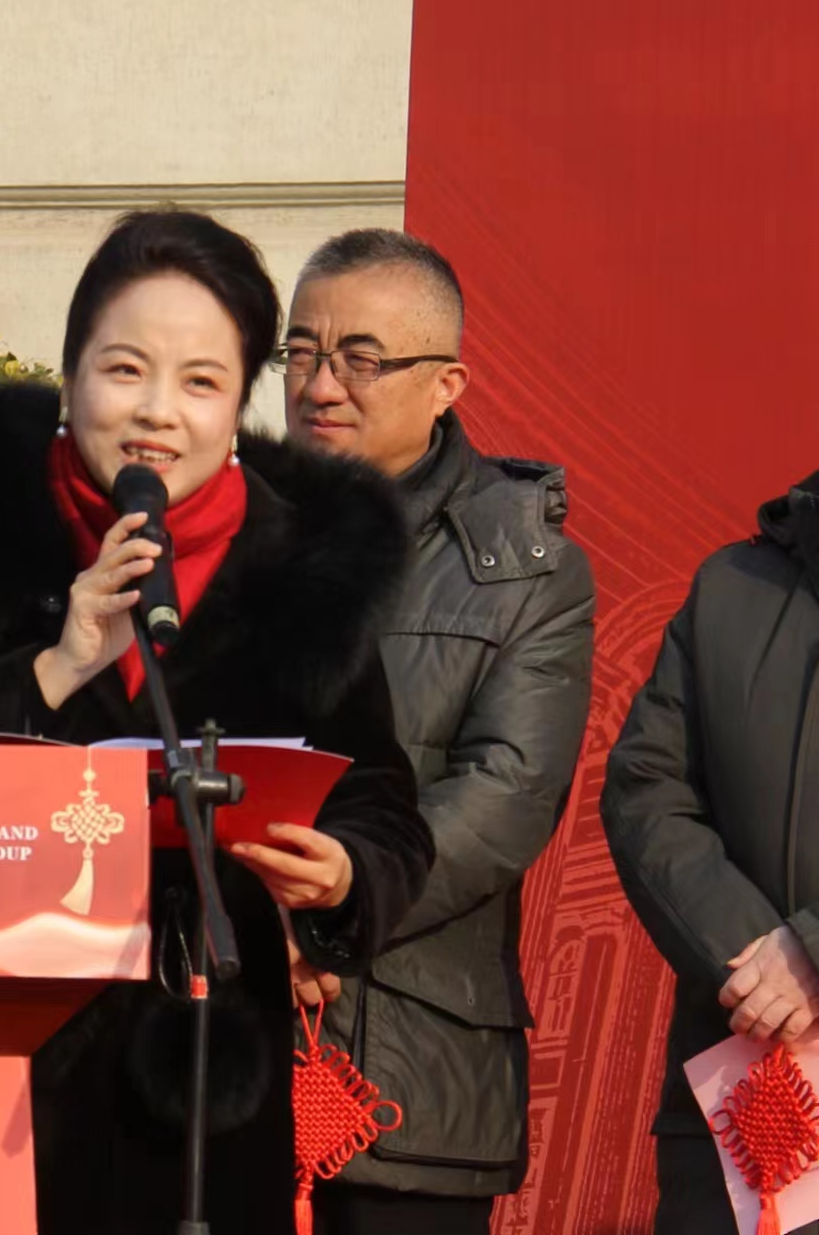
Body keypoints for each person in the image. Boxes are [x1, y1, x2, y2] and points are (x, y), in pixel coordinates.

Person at [0, 209, 433, 1233]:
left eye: (201, 382)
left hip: (204, 1071)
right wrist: (56, 666)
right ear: (71, 374)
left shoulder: (307, 564)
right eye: (125, 369)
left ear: (238, 402)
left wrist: (342, 872)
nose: (157, 412)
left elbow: (381, 801)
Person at [278, 229, 596, 1232]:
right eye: (300, 351)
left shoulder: (524, 564)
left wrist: (335, 902)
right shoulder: (223, 526)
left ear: (445, 383)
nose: (320, 386)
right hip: (213, 1049)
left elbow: (508, 791)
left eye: (361, 359)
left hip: (409, 1069)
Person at [601, 469, 819, 1235]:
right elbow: (648, 788)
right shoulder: (732, 585)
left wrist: (814, 947)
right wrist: (756, 957)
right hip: (745, 1088)